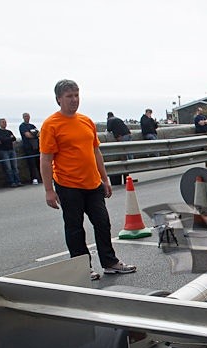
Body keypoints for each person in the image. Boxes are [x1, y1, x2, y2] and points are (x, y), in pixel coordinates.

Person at [40, 79, 136, 281]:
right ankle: (82, 266)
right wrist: (49, 190)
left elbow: (95, 151)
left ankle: (109, 262)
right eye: (69, 96)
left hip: (92, 183)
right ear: (58, 99)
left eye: (76, 95)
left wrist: (105, 179)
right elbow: (46, 159)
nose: (74, 100)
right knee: (75, 227)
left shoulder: (86, 121)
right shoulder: (51, 125)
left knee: (102, 222)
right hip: (68, 184)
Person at [0, 118, 22, 187]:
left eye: (5, 122)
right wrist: (8, 139)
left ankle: (18, 181)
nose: (4, 123)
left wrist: (6, 139)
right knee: (8, 167)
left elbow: (14, 139)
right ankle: (11, 182)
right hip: (3, 151)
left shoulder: (9, 131)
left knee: (15, 166)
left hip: (11, 150)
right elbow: (0, 140)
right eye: (3, 122)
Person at [19, 113, 41, 184]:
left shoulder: (32, 125)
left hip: (36, 147)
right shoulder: (22, 126)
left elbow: (39, 134)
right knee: (31, 164)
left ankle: (41, 178)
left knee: (39, 163)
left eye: (28, 116)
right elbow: (28, 135)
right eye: (25, 116)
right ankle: (34, 179)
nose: (27, 118)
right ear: (23, 117)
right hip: (29, 148)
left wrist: (34, 134)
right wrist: (34, 135)